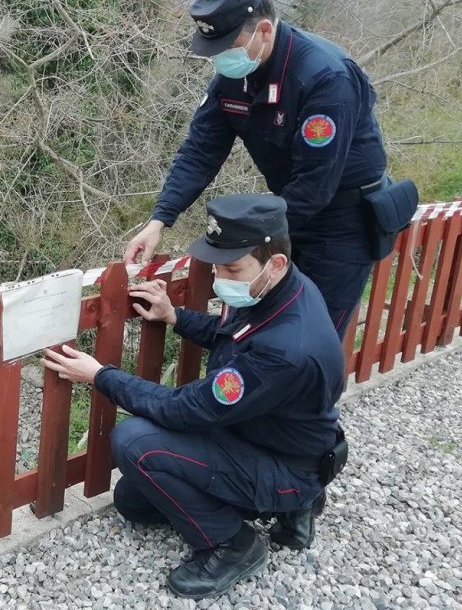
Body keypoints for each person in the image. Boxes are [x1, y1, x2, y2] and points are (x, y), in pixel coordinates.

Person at [44, 194, 346, 600]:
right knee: (133, 503)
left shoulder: (286, 347)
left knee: (134, 444)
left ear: (274, 263)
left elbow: (185, 409)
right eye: (219, 265)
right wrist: (176, 316)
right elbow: (236, 339)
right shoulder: (278, 291)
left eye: (231, 267)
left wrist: (100, 375)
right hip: (264, 435)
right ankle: (288, 505)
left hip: (285, 463)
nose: (221, 276)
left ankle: (234, 545)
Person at [125, 0, 390, 336]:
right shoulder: (234, 77)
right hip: (287, 211)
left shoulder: (326, 77)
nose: (220, 61)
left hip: (341, 223)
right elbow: (201, 149)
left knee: (309, 340)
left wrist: (249, 240)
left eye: (227, 49)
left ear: (264, 31)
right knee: (255, 331)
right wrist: (159, 220)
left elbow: (316, 186)